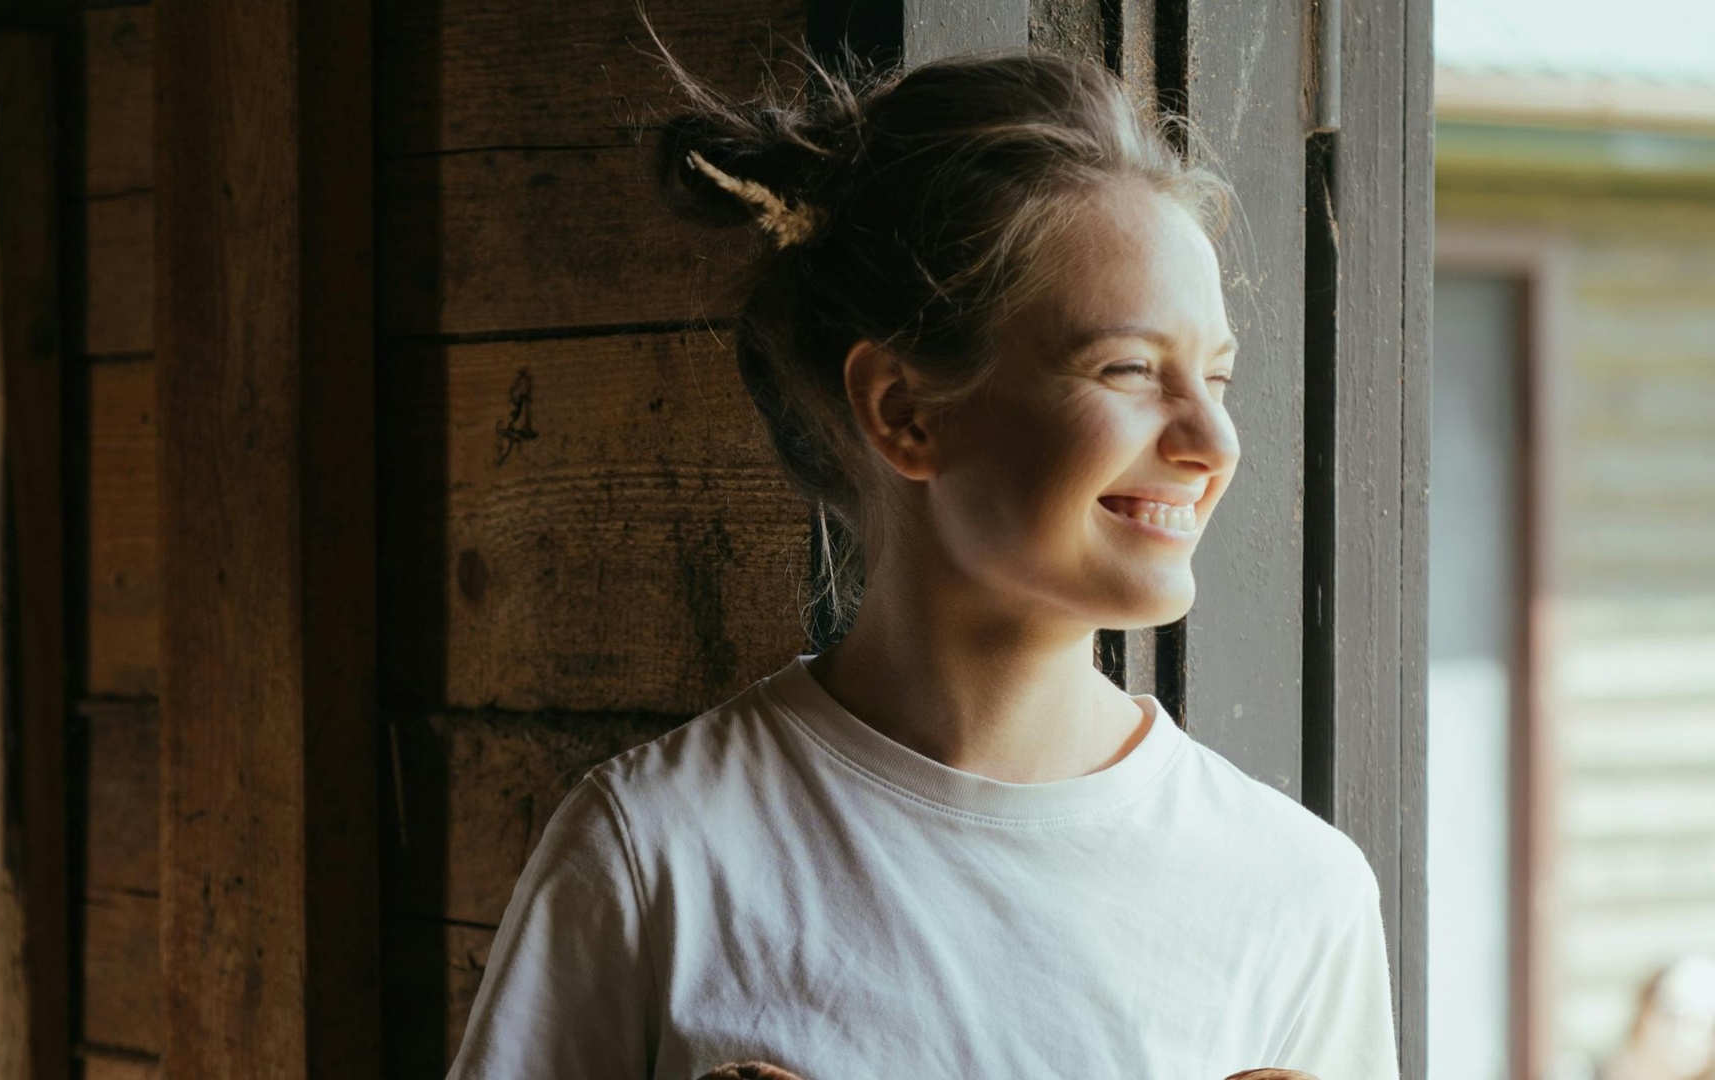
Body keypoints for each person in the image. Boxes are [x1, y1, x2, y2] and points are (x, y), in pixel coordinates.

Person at [445, 39, 1400, 1080]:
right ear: (904, 413)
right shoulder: (657, 857)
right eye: (1129, 368)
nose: (1214, 445)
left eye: (1214, 378)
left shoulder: (1297, 896)